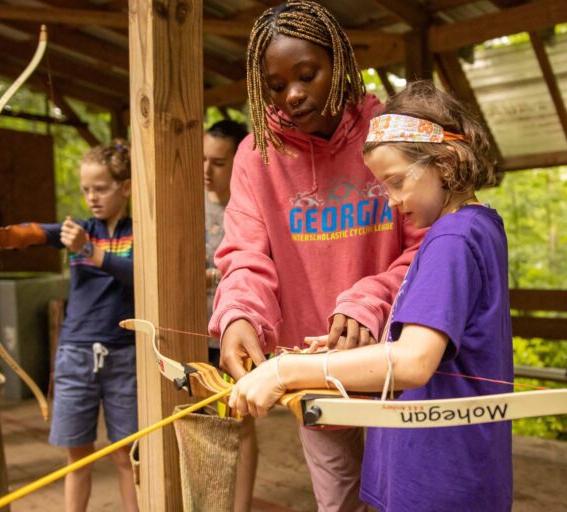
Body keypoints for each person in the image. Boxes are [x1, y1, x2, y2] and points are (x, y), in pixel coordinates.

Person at [228, 81, 513, 511]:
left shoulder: (452, 239)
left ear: (447, 162)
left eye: (397, 182)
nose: (393, 202)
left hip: (434, 479)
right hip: (446, 470)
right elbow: (424, 344)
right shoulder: (478, 227)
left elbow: (413, 362)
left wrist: (285, 372)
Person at [209, 1, 424, 510]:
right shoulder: (256, 156)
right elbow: (244, 253)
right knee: (338, 503)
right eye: (277, 86)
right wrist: (240, 314)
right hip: (313, 375)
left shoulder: (390, 135)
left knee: (408, 498)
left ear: (341, 61)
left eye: (308, 74)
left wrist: (370, 298)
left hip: (402, 365)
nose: (294, 96)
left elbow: (428, 246)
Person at [0, 140, 138, 512]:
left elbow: (138, 274)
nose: (92, 197)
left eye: (101, 188)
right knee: (78, 457)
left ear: (127, 187)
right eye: (87, 189)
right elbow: (30, 233)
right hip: (75, 353)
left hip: (124, 354)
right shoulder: (78, 228)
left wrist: (89, 250)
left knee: (126, 455)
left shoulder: (140, 233)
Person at [202, 119, 257, 512]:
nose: (206, 171)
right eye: (203, 159)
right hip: (193, 331)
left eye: (218, 163)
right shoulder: (188, 207)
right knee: (201, 424)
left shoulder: (253, 204)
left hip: (238, 333)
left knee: (241, 422)